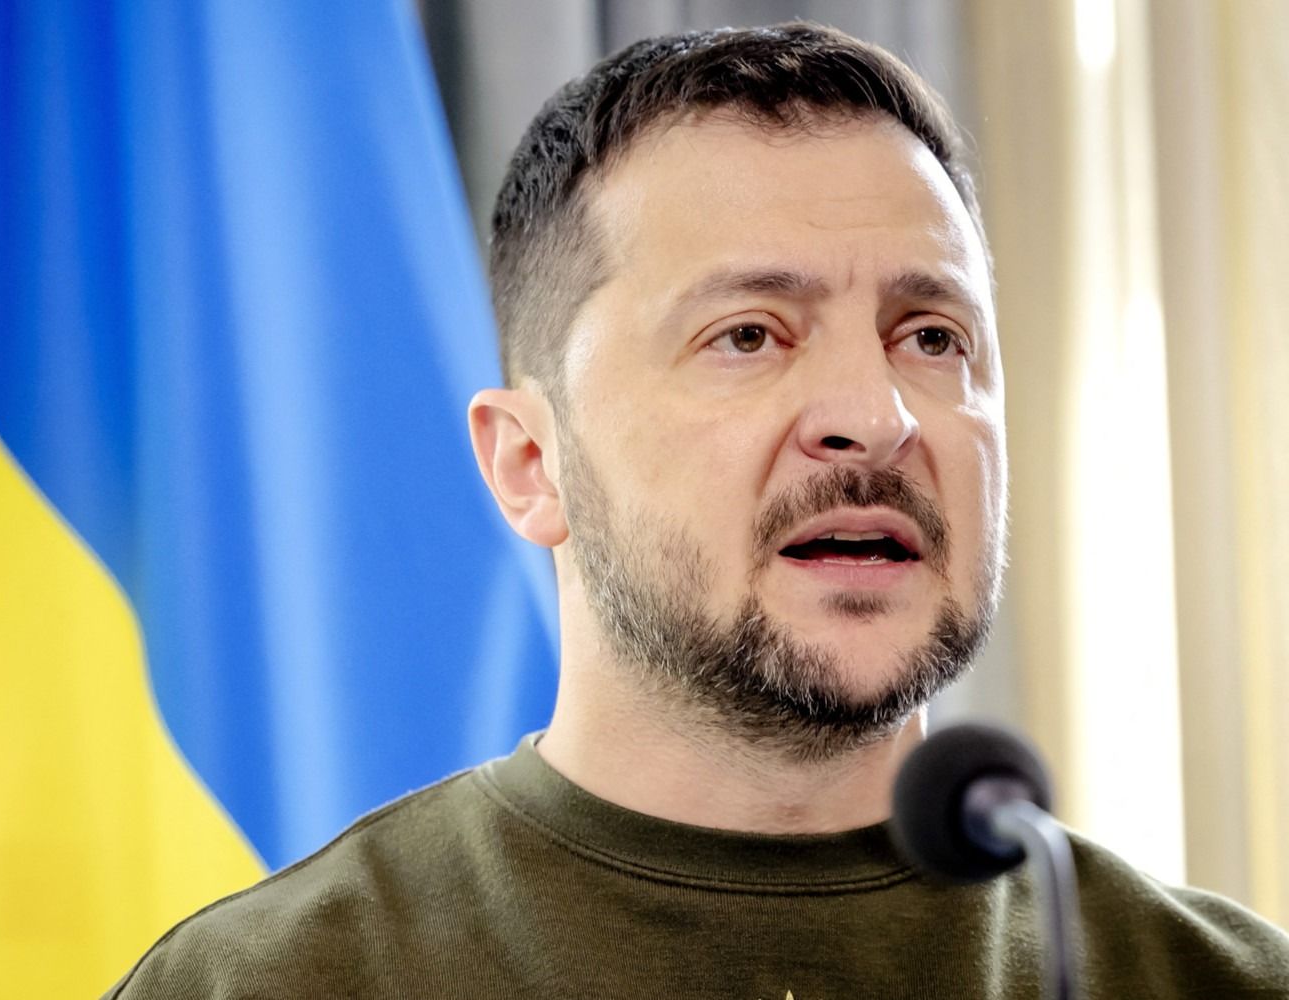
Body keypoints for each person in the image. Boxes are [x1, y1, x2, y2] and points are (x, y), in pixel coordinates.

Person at [104, 22, 1289, 998]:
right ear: (529, 462)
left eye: (929, 337)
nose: (874, 416)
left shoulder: (1216, 981)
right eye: (748, 335)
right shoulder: (264, 984)